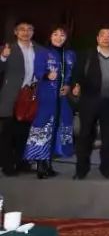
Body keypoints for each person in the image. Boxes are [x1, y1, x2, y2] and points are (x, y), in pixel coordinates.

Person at [72, 25, 109, 179]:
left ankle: (107, 170)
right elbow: (76, 75)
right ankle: (81, 170)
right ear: (97, 38)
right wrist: (75, 86)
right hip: (89, 102)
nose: (106, 38)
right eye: (102, 35)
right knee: (85, 136)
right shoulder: (86, 55)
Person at [24, 25, 76, 178]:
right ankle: (40, 166)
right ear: (50, 36)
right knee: (43, 129)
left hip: (63, 99)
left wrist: (69, 86)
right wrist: (47, 75)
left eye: (62, 35)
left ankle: (49, 164)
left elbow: (73, 75)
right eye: (55, 34)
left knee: (57, 130)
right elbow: (38, 72)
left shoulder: (70, 54)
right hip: (46, 97)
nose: (59, 38)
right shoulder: (43, 52)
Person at [0, 20, 41, 176]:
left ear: (33, 32)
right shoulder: (7, 49)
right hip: (12, 97)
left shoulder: (39, 49)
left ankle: (22, 163)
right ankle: (7, 166)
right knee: (7, 134)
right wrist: (3, 57)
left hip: (31, 97)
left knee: (24, 133)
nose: (26, 32)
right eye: (22, 29)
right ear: (15, 32)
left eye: (29, 29)